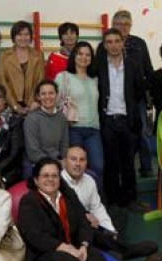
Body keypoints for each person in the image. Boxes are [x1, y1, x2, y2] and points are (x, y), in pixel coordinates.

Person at [18, 158, 124, 261]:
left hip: (73, 248)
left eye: (55, 175)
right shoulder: (29, 201)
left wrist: (83, 245)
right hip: (44, 255)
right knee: (61, 259)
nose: (50, 180)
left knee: (93, 254)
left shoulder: (67, 195)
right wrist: (63, 247)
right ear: (36, 180)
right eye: (45, 176)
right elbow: (34, 235)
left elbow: (83, 223)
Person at [61, 146, 159, 260]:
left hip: (91, 226)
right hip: (69, 229)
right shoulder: (58, 181)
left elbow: (97, 208)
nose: (78, 164)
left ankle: (113, 247)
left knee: (119, 214)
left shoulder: (89, 180)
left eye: (82, 160)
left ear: (87, 163)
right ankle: (122, 250)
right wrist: (83, 217)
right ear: (65, 161)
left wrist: (110, 230)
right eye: (73, 159)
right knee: (89, 228)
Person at [96, 10, 155, 178]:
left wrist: (145, 90)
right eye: (119, 24)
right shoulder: (103, 45)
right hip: (113, 101)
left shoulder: (139, 43)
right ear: (113, 25)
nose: (122, 27)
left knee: (142, 132)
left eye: (126, 24)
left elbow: (148, 70)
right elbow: (97, 71)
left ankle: (146, 168)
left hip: (137, 99)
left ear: (130, 26)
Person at [97, 28, 147, 211]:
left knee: (128, 163)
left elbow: (140, 90)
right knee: (111, 163)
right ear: (104, 45)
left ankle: (130, 199)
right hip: (108, 120)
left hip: (127, 120)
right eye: (109, 42)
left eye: (117, 41)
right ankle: (113, 200)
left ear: (122, 43)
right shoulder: (99, 66)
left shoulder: (133, 64)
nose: (113, 45)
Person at [56, 41, 103, 177]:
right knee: (76, 169)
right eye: (80, 54)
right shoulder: (63, 77)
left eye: (88, 55)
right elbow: (55, 102)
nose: (84, 57)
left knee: (98, 167)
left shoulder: (95, 79)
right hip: (73, 129)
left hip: (94, 130)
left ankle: (94, 197)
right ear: (74, 56)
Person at [0, 20, 45, 114]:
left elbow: (40, 80)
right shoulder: (4, 56)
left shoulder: (38, 56)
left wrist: (31, 103)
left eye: (26, 34)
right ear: (13, 37)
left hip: (33, 105)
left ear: (31, 36)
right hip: (9, 105)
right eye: (19, 34)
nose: (23, 38)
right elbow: (2, 81)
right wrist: (14, 105)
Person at [23, 80, 69, 177]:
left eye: (51, 93)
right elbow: (33, 152)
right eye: (43, 94)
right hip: (37, 163)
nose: (47, 97)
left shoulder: (62, 118)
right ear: (38, 97)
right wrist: (56, 163)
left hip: (58, 162)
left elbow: (64, 145)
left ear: (56, 95)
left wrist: (64, 160)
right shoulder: (32, 118)